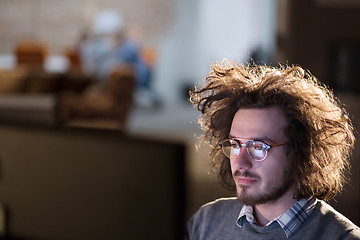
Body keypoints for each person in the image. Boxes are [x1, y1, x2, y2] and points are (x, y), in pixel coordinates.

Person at [186, 59, 360, 239]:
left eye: (258, 147)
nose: (241, 163)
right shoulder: (206, 221)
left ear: (301, 152)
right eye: (236, 145)